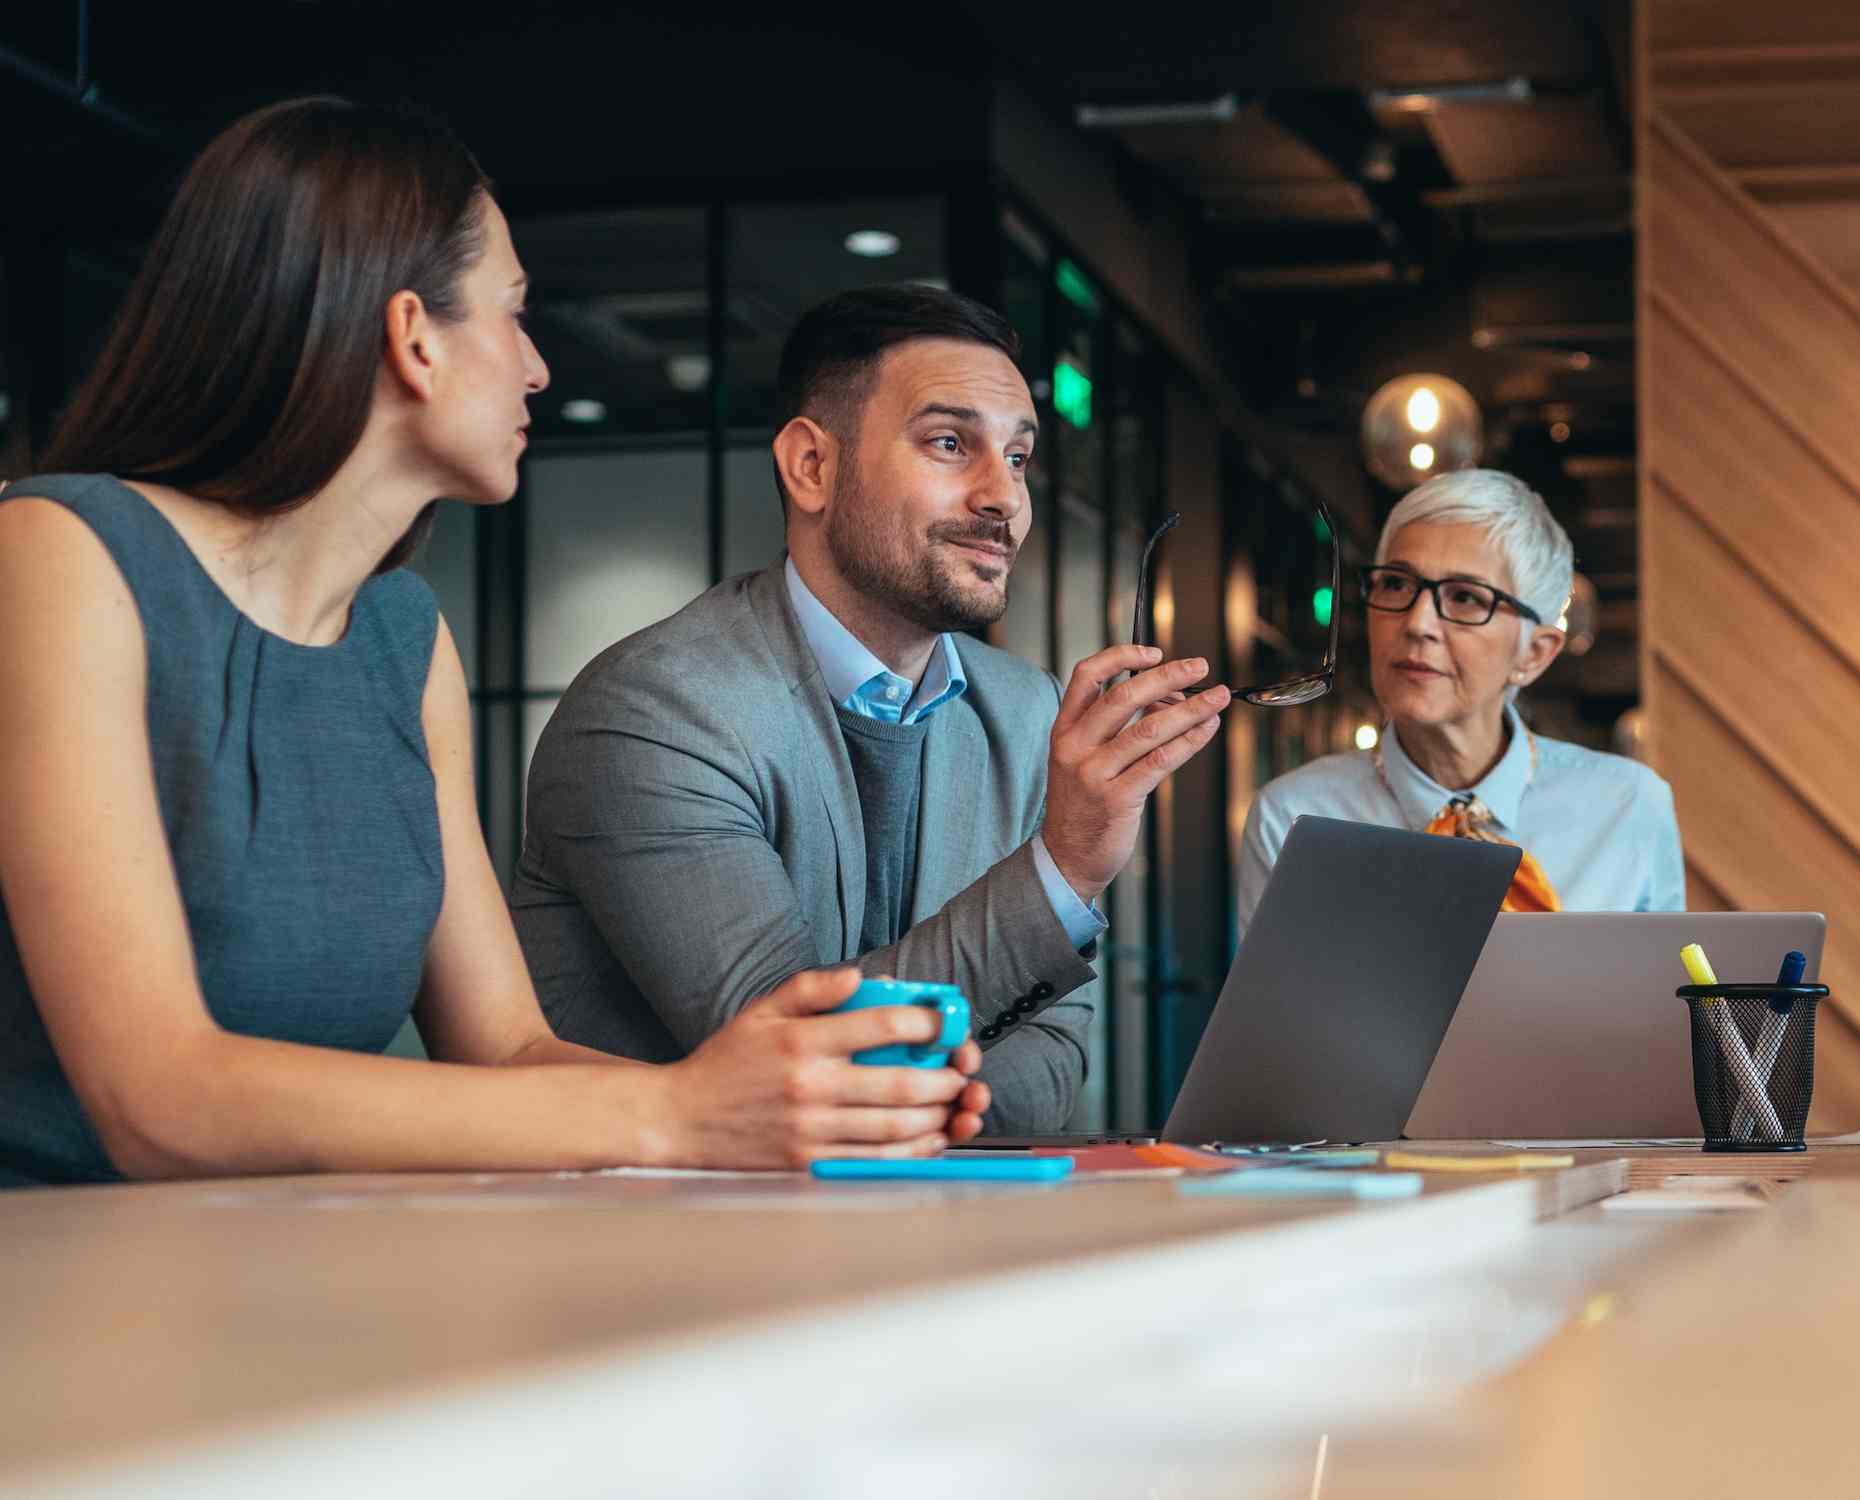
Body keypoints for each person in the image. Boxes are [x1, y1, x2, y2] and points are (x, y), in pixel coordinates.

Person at [0, 98, 989, 1186]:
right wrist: (677, 1114)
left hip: (280, 1285)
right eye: (513, 315)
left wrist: (814, 1105)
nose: (537, 369)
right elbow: (161, 1098)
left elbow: (507, 1049)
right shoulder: (59, 555)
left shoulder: (401, 639)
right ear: (414, 336)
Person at [512, 286, 1226, 1134]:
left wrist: (911, 1109)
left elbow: (1057, 1045)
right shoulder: (655, 711)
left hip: (935, 1238)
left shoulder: (1028, 709)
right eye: (951, 443)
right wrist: (1064, 869)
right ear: (812, 467)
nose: (1005, 497)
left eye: (1021, 458)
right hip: (676, 1248)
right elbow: (805, 1060)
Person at [1237, 468, 1679, 926]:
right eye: (1395, 584)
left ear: (1534, 654)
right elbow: (1274, 1000)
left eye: (1466, 597)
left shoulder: (1630, 807)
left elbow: (1662, 995)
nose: (1417, 623)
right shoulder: (1293, 817)